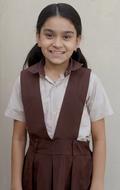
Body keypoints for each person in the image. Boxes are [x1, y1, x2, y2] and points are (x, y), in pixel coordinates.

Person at [5, 3, 113, 190]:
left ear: (78, 41)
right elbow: (18, 138)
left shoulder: (90, 81)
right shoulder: (23, 81)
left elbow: (100, 138)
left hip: (78, 172)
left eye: (66, 37)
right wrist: (15, 184)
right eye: (49, 35)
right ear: (38, 37)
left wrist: (98, 184)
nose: (57, 43)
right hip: (36, 171)